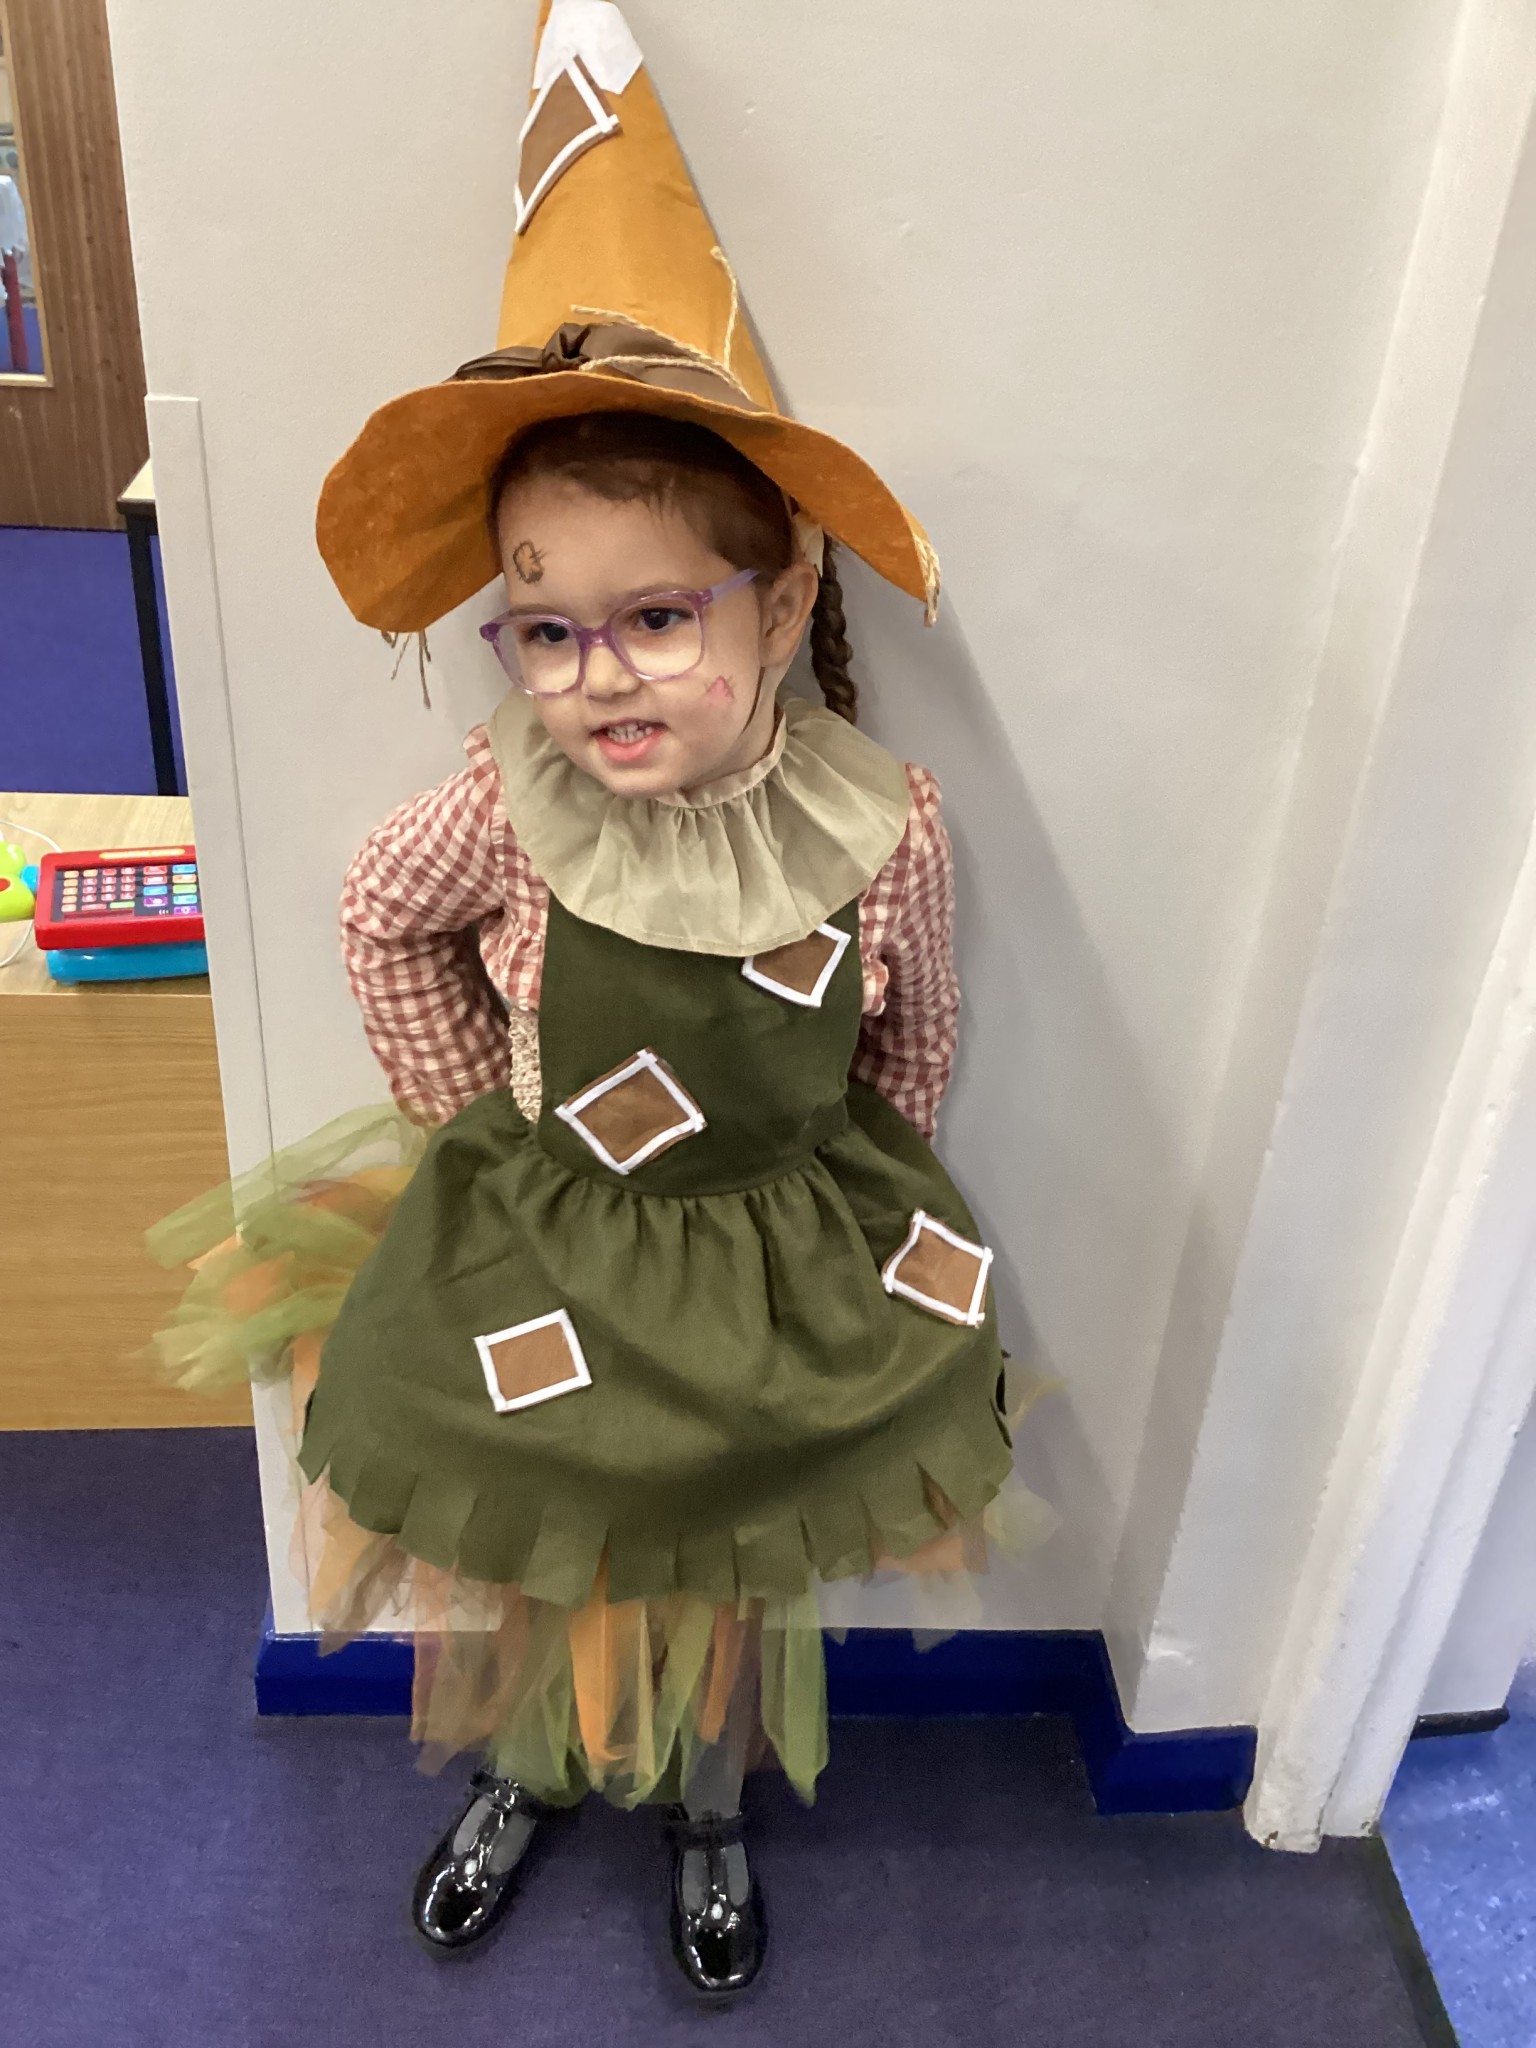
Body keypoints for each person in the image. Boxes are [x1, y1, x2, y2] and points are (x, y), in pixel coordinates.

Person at [149, 0, 1051, 2002]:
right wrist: (480, 1112)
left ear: (784, 596)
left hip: (766, 1261)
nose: (598, 675)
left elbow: (917, 1028)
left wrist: (859, 1169)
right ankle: (523, 1774)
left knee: (726, 1557)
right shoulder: (508, 798)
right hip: (551, 1233)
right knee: (523, 1530)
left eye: (656, 616)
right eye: (544, 628)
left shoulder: (880, 818)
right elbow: (380, 913)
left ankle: (711, 1804)